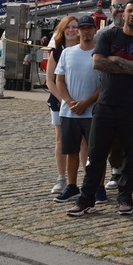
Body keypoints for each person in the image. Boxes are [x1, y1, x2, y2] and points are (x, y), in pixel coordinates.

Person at [67, 0, 133, 218]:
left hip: (132, 107)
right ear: (123, 15)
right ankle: (86, 200)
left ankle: (125, 198)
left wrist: (115, 59)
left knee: (131, 155)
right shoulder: (108, 36)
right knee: (96, 154)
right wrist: (128, 66)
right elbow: (98, 63)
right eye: (129, 11)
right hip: (106, 105)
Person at [52, 16, 102, 203]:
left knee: (95, 152)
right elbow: (59, 80)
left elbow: (103, 84)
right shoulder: (67, 53)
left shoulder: (100, 53)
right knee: (71, 151)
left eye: (90, 28)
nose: (86, 31)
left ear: (95, 30)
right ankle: (72, 186)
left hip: (92, 111)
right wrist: (69, 101)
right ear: (78, 31)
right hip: (69, 111)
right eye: (83, 28)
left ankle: (97, 186)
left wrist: (87, 102)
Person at [45, 15, 82, 195]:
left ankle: (85, 176)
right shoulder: (57, 52)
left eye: (75, 27)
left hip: (82, 100)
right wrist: (63, 99)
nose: (72, 30)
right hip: (60, 101)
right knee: (61, 138)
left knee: (83, 140)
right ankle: (62, 177)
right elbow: (50, 80)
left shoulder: (87, 50)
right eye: (68, 27)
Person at [103, 0, 130, 192]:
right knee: (111, 137)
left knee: (132, 137)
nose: (120, 9)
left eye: (124, 6)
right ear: (111, 8)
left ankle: (132, 171)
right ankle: (115, 170)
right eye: (117, 6)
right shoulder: (102, 35)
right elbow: (98, 63)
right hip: (109, 92)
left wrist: (116, 62)